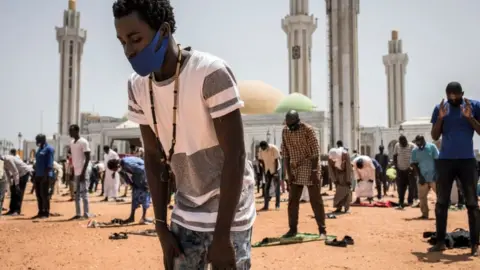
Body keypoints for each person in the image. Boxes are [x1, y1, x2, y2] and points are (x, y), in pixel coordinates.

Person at [113, 0, 256, 268]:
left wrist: (223, 236)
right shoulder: (137, 87)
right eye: (122, 42)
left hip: (229, 215)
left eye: (135, 39)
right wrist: (160, 227)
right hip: (186, 214)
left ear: (164, 32)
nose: (128, 51)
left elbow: (235, 156)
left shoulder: (210, 73)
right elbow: (154, 158)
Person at [429, 81, 479, 256]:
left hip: (467, 161)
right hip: (445, 161)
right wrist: (441, 118)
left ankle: (474, 245)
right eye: (450, 97)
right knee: (442, 202)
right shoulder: (440, 108)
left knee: (472, 203)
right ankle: (441, 242)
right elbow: (435, 135)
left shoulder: (473, 106)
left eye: (456, 97)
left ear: (462, 94)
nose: (452, 99)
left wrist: (469, 118)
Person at [281, 110, 327, 238]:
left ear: (298, 121)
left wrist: (314, 172)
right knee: (292, 201)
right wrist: (289, 174)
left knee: (315, 200)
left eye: (292, 125)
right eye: (288, 125)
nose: (290, 128)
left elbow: (315, 151)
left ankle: (322, 230)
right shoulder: (285, 131)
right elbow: (285, 153)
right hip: (294, 168)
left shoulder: (308, 130)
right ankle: (292, 229)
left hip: (309, 165)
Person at [107, 156, 151, 224]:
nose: (115, 171)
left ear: (117, 165)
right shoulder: (120, 166)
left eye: (114, 169)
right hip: (136, 175)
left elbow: (142, 169)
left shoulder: (127, 163)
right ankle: (131, 217)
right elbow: (124, 175)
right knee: (135, 194)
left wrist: (145, 183)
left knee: (144, 193)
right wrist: (131, 183)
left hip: (143, 173)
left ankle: (144, 217)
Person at [410, 135, 438, 219]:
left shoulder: (432, 147)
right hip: (422, 177)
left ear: (423, 140)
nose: (417, 144)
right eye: (416, 143)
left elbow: (437, 160)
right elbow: (414, 164)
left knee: (440, 196)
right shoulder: (415, 150)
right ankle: (425, 214)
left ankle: (439, 214)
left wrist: (437, 173)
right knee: (422, 197)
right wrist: (420, 176)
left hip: (433, 176)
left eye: (418, 142)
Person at [69, 124, 92, 219]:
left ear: (77, 131)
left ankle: (86, 214)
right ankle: (78, 214)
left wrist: (83, 172)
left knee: (84, 193)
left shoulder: (83, 142)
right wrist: (72, 171)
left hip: (83, 171)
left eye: (71, 131)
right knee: (76, 194)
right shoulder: (71, 142)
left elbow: (88, 158)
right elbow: (73, 158)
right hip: (76, 171)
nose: (70, 133)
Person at [33, 134, 55, 219]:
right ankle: (40, 211)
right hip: (38, 175)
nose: (36, 141)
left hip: (45, 175)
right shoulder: (39, 149)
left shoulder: (49, 149)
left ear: (43, 140)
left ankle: (46, 212)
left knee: (44, 194)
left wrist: (45, 176)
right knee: (38, 194)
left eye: (38, 140)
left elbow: (49, 165)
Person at [393, 135, 416, 208]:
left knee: (411, 186)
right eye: (401, 143)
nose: (402, 144)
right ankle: (401, 201)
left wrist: (412, 167)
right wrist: (396, 166)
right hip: (400, 170)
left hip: (410, 170)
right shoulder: (397, 145)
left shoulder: (412, 146)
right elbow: (395, 156)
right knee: (400, 187)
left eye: (404, 142)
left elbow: (416, 157)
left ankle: (410, 201)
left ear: (406, 140)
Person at [258, 141, 281, 211]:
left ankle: (277, 205)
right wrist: (264, 170)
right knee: (266, 188)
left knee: (277, 188)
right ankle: (266, 206)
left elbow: (276, 160)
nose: (263, 149)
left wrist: (276, 172)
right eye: (262, 148)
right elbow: (260, 160)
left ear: (267, 146)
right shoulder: (261, 150)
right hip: (267, 170)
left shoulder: (273, 148)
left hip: (275, 169)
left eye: (264, 148)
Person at [328, 148, 352, 213]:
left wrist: (348, 180)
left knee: (347, 192)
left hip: (345, 175)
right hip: (337, 175)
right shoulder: (330, 157)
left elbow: (348, 168)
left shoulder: (345, 155)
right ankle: (338, 207)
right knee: (338, 193)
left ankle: (346, 208)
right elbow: (330, 169)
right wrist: (334, 180)